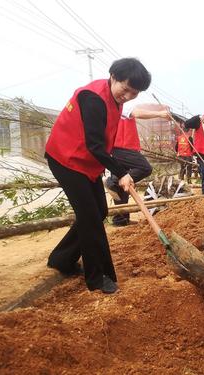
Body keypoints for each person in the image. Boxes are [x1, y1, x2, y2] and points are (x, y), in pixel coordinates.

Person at [45, 57, 151, 294]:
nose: (128, 96)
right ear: (113, 77)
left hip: (86, 161)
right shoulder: (93, 98)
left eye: (134, 93)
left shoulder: (115, 97)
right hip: (66, 158)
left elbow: (102, 143)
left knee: (99, 211)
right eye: (126, 89)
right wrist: (122, 172)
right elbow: (95, 145)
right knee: (90, 217)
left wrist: (118, 168)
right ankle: (97, 278)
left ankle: (61, 259)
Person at [104, 105, 171, 226]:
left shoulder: (113, 109)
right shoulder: (120, 107)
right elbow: (137, 113)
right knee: (145, 168)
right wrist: (159, 114)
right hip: (123, 147)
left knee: (123, 186)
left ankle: (120, 220)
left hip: (118, 149)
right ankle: (112, 182)